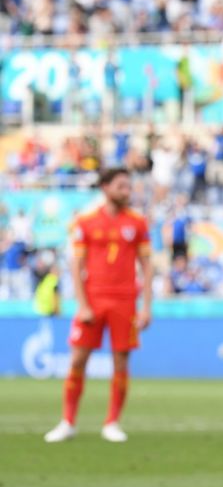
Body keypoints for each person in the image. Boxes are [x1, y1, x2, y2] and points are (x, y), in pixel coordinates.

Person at [44, 168, 153, 444]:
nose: (127, 191)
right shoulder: (86, 221)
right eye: (121, 186)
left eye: (129, 186)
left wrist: (146, 306)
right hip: (93, 298)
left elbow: (147, 266)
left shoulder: (138, 222)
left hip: (125, 300)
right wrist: (82, 305)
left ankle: (112, 423)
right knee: (78, 360)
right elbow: (75, 264)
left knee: (121, 361)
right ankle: (68, 421)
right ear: (105, 188)